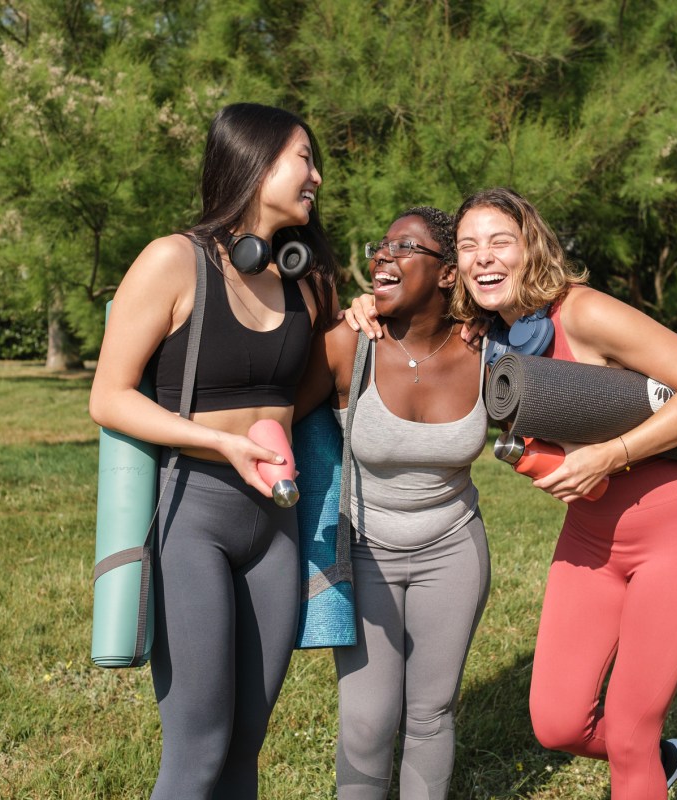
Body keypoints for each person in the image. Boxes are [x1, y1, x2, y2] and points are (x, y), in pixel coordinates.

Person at [446, 187, 677, 798]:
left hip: (674, 529)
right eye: (468, 246)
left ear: (532, 246)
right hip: (590, 536)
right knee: (557, 723)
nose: (484, 257)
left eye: (500, 241)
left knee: (630, 733)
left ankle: (640, 763)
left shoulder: (583, 313)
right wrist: (365, 305)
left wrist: (611, 453)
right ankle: (653, 761)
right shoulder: (490, 339)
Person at [88, 102, 337, 799]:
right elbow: (109, 396)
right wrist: (219, 442)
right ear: (254, 162)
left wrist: (358, 326)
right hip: (194, 512)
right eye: (304, 158)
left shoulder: (306, 279)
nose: (316, 176)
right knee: (198, 748)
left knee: (246, 741)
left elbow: (309, 390)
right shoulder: (174, 261)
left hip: (275, 521)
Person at [296, 207, 490, 799]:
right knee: (367, 719)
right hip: (365, 551)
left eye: (405, 246)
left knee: (431, 713)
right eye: (382, 245)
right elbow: (272, 418)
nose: (383, 254)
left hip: (453, 550)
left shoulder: (487, 348)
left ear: (448, 273)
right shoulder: (347, 344)